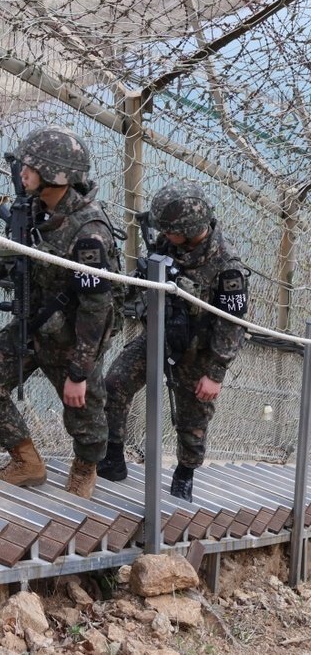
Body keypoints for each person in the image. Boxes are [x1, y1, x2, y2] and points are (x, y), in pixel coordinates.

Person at [0, 127, 117, 499]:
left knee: (84, 417)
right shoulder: (33, 207)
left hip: (74, 337)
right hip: (32, 325)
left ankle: (84, 469)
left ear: (55, 176)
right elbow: (10, 250)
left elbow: (97, 309)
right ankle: (26, 461)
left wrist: (80, 371)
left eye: (31, 167)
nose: (23, 172)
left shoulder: (89, 232)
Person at [97, 181, 249, 500]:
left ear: (192, 229)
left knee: (192, 419)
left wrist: (215, 374)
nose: (164, 236)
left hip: (200, 351)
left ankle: (184, 474)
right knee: (115, 383)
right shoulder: (171, 244)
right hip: (161, 334)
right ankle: (112, 457)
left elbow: (232, 324)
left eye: (170, 231)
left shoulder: (227, 266)